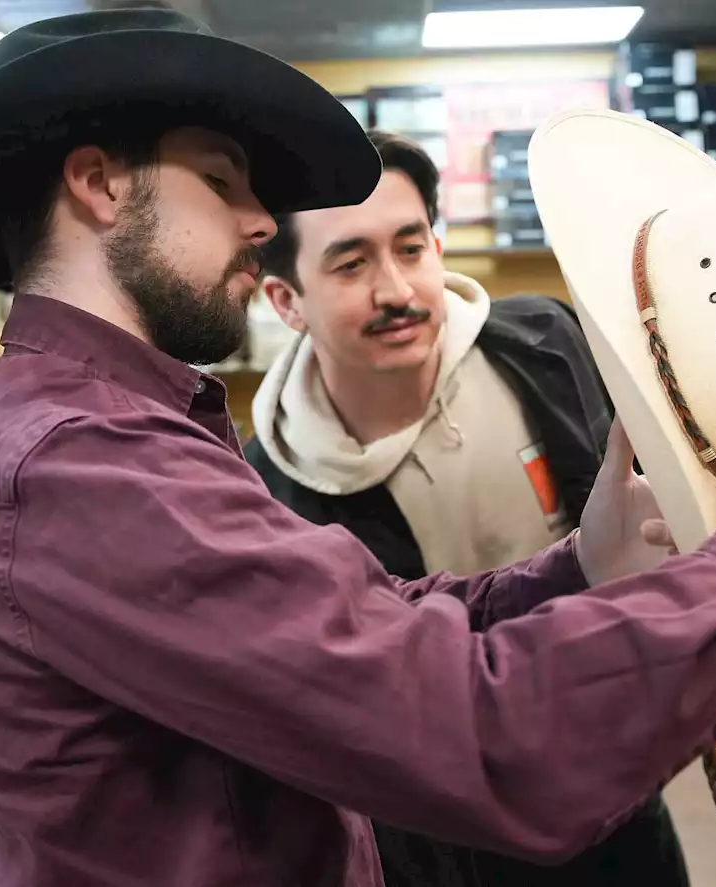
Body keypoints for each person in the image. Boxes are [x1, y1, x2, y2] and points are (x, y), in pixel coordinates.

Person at [0, 10, 716, 887]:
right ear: (97, 185)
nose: (256, 222)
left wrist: (577, 568)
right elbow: (486, 734)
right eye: (224, 177)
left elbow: (370, 623)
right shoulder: (74, 465)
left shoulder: (126, 431)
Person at [245, 130, 688, 887]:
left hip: (609, 793)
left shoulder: (546, 344)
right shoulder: (269, 492)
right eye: (351, 264)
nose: (397, 290)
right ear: (286, 300)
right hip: (433, 842)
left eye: (411, 248)